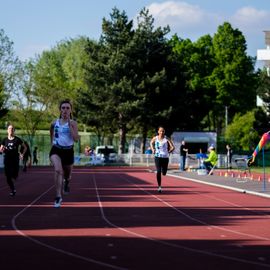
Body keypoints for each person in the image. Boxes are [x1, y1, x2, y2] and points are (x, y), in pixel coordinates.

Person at [49, 99, 80, 208]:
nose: (65, 110)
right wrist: (51, 142)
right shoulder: (54, 122)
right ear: (60, 110)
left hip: (68, 151)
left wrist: (69, 126)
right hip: (56, 150)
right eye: (63, 108)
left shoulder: (73, 123)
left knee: (67, 175)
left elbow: (76, 139)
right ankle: (58, 196)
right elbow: (51, 130)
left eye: (67, 108)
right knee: (58, 170)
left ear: (71, 110)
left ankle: (66, 182)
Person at [0, 124, 26, 196]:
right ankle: (13, 189)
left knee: (14, 175)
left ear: (14, 130)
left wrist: (22, 154)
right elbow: (1, 149)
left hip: (15, 159)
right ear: (7, 130)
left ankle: (14, 175)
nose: (10, 130)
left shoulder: (17, 139)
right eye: (9, 129)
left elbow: (25, 147)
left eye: (12, 129)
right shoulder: (4, 140)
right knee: (8, 177)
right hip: (7, 159)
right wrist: (2, 150)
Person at [150, 126, 175, 193]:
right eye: (160, 131)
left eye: (163, 131)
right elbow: (151, 143)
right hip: (157, 156)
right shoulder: (155, 138)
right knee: (158, 171)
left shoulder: (166, 138)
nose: (162, 132)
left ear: (164, 132)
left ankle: (164, 171)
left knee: (164, 172)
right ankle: (159, 187)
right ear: (158, 131)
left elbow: (173, 147)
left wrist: (169, 151)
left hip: (165, 157)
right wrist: (152, 149)